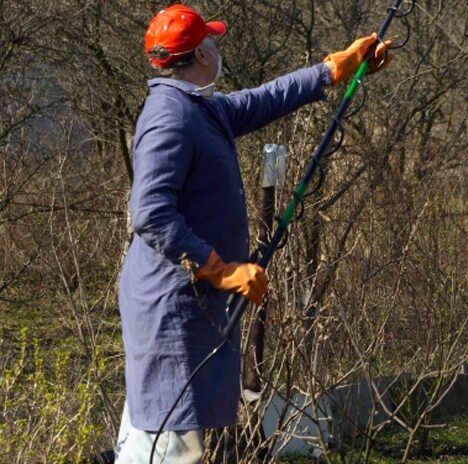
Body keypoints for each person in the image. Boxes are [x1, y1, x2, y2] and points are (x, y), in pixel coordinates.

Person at [114, 4, 393, 463]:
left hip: (188, 303)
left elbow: (265, 98)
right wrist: (219, 269)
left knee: (167, 433)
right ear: (200, 53)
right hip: (172, 308)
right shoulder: (171, 117)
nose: (217, 47)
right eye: (211, 40)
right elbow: (150, 212)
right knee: (168, 441)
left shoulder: (199, 108)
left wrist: (333, 69)